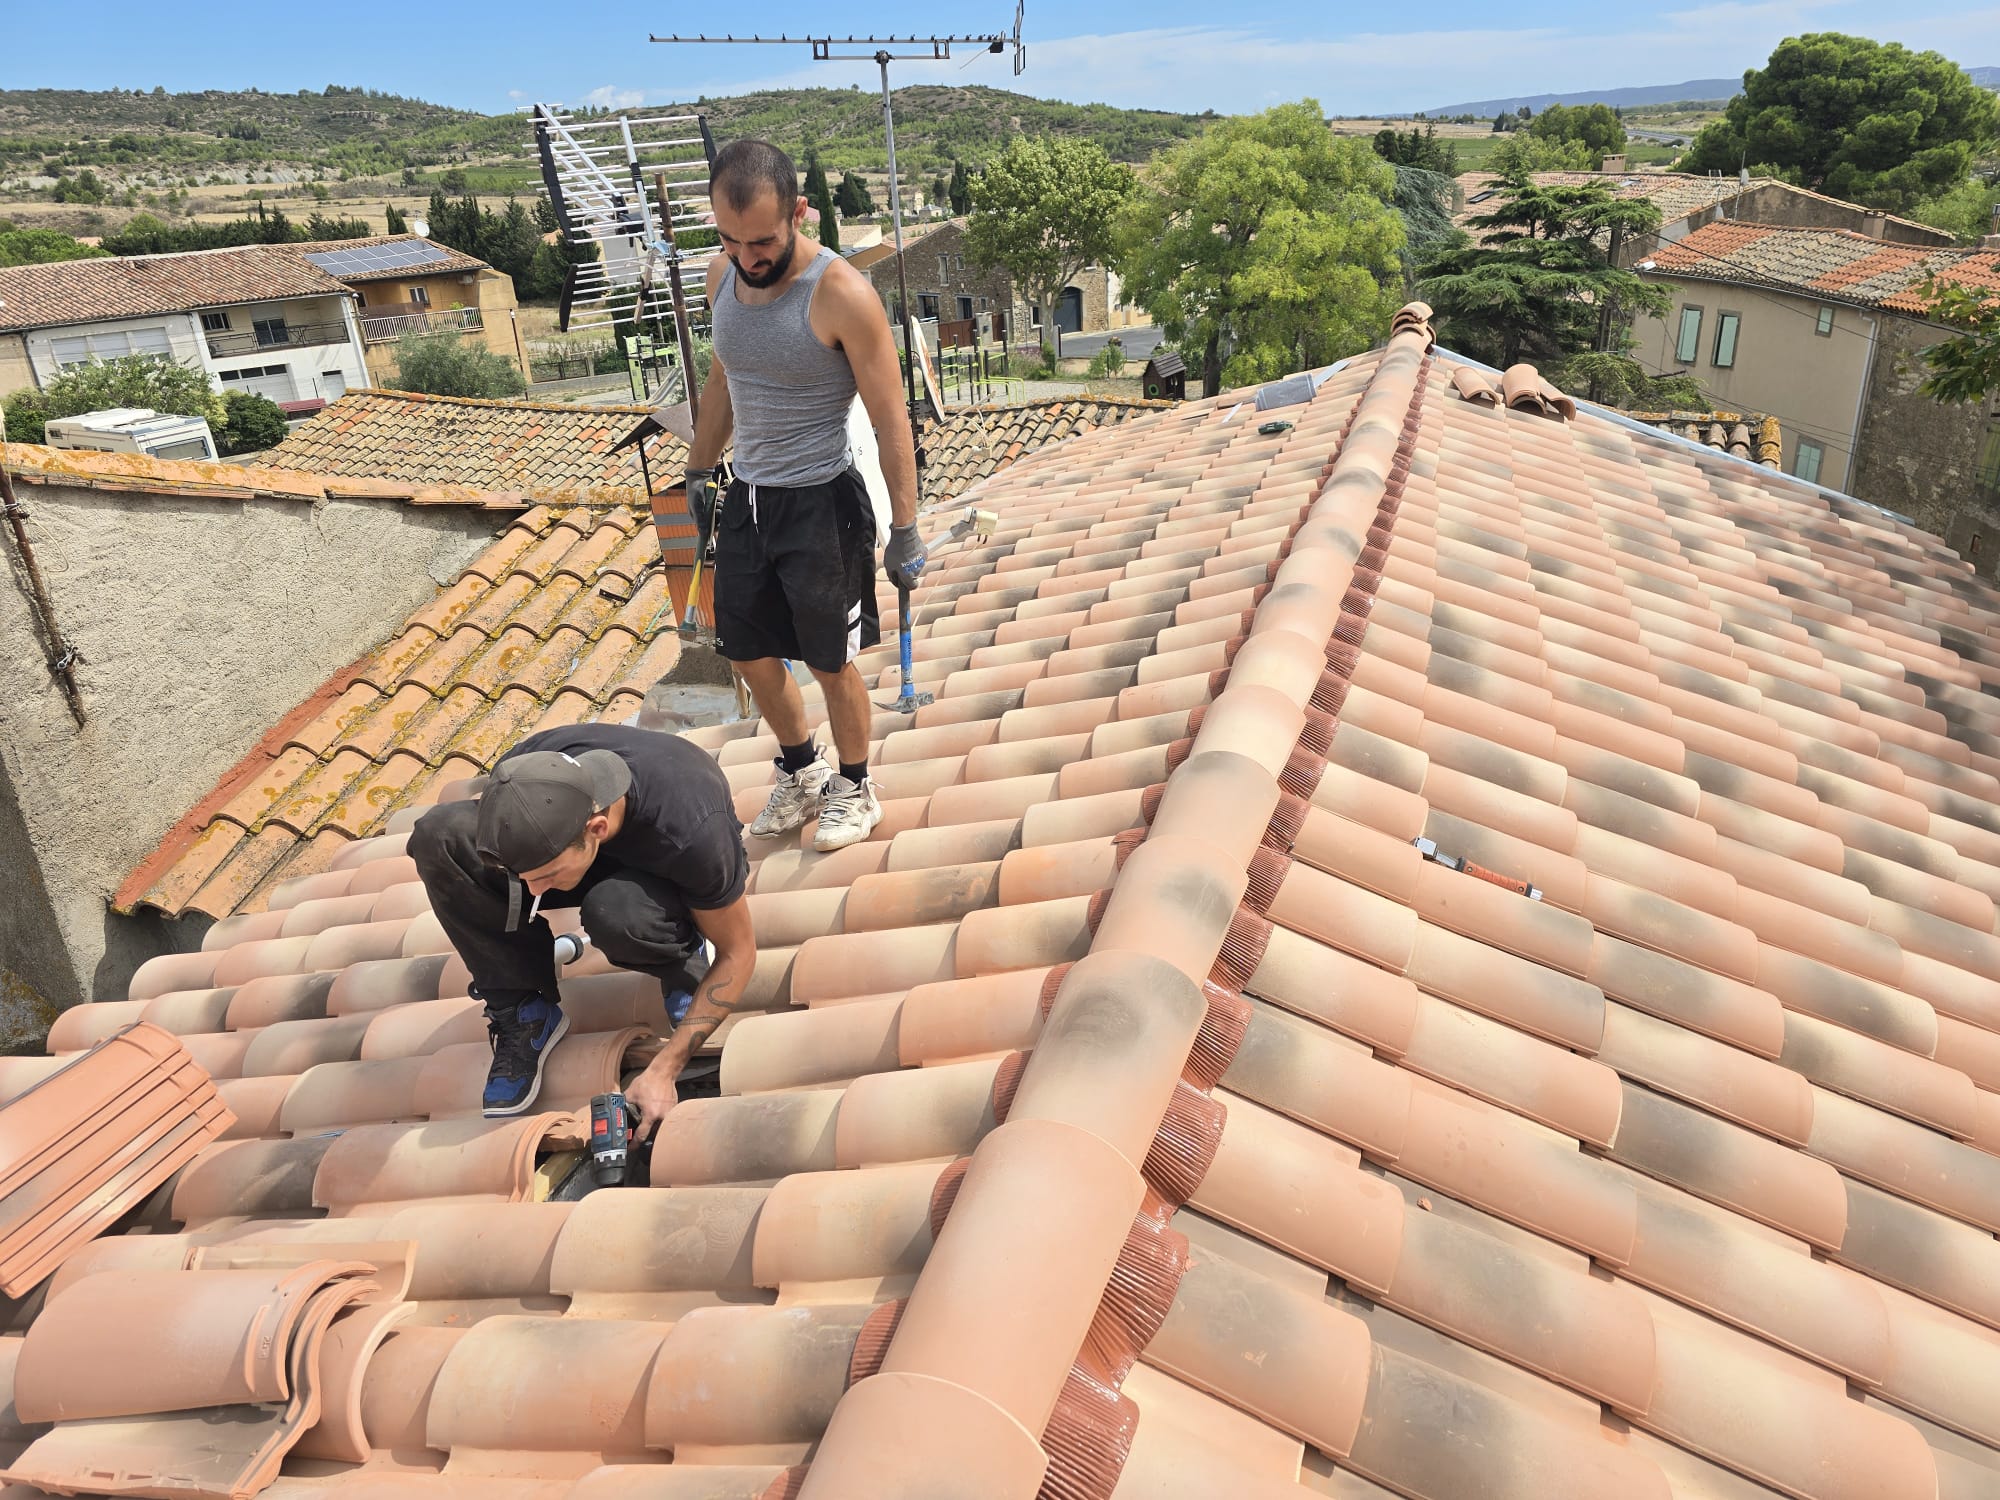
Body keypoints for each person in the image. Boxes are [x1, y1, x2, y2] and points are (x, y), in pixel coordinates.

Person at [686, 138, 925, 854]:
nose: (747, 257)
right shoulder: (718, 276)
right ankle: (803, 771)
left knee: (828, 659)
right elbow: (726, 378)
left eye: (761, 241)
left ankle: (856, 787)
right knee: (748, 652)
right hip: (750, 499)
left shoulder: (841, 292)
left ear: (798, 212)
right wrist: (700, 470)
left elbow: (889, 416)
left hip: (823, 503)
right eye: (730, 240)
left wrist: (905, 528)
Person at [408, 723, 754, 1133]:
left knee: (619, 914)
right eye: (525, 876)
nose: (531, 892)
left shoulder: (692, 830)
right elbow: (519, 854)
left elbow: (739, 953)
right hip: (580, 851)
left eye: (545, 875)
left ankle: (679, 960)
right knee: (439, 835)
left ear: (596, 829)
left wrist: (665, 1068)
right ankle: (525, 1011)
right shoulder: (523, 776)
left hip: (661, 867)